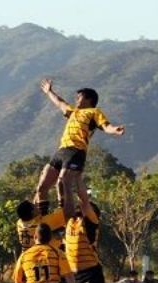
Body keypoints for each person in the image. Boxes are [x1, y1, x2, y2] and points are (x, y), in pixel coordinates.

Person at [33, 79, 125, 218]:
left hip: (76, 151)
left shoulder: (94, 112)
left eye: (79, 97)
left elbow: (106, 126)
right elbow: (59, 102)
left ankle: (67, 219)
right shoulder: (72, 112)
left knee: (64, 182)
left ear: (89, 99)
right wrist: (49, 92)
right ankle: (43, 220)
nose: (76, 99)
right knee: (41, 187)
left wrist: (115, 130)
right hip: (61, 151)